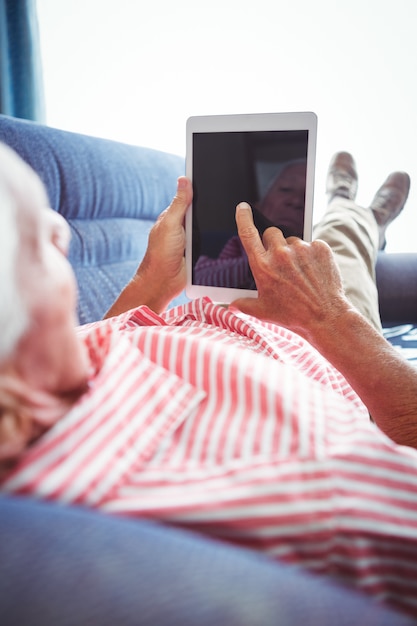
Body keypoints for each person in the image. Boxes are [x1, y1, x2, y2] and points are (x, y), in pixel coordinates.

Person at [1, 141, 417, 619]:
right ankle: (354, 209)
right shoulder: (316, 481)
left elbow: (91, 348)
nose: (62, 231)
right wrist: (332, 317)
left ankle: (353, 209)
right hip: (331, 349)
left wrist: (148, 285)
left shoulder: (34, 376)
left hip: (249, 317)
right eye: (37, 240)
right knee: (339, 243)